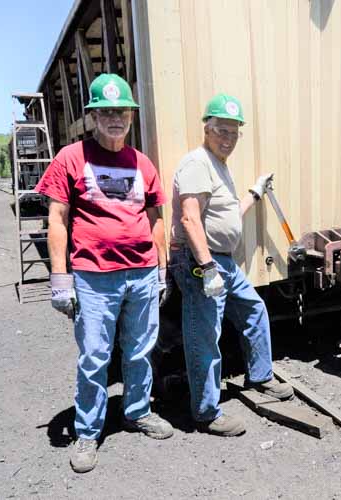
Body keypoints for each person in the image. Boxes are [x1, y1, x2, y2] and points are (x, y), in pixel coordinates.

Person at [36, 73, 173, 473]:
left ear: (131, 116)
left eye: (122, 111)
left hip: (143, 274)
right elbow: (57, 219)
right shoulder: (71, 157)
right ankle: (87, 432)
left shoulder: (142, 163)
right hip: (94, 277)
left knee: (140, 351)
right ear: (94, 116)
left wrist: (161, 269)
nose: (115, 118)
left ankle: (136, 411)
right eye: (106, 111)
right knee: (95, 358)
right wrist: (60, 279)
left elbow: (155, 218)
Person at [169, 93, 293, 437]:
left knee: (254, 310)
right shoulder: (197, 163)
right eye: (222, 130)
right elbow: (191, 219)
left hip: (222, 261)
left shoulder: (219, 165)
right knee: (205, 334)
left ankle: (260, 376)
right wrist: (207, 268)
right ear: (207, 129)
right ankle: (206, 412)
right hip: (200, 261)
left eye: (234, 133)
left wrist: (254, 192)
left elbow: (227, 214)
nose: (228, 138)